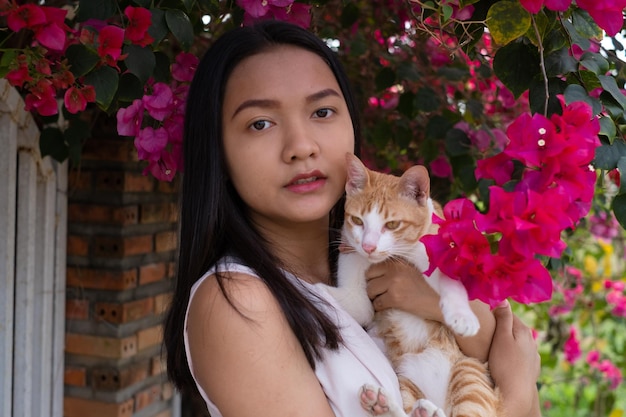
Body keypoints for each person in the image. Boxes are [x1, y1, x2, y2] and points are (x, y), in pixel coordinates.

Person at [162, 20, 541, 417]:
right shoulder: (237, 303)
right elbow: (512, 371)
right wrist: (517, 394)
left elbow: (489, 341)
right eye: (260, 123)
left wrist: (431, 301)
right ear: (218, 153)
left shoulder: (373, 263)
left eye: (322, 111)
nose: (301, 146)